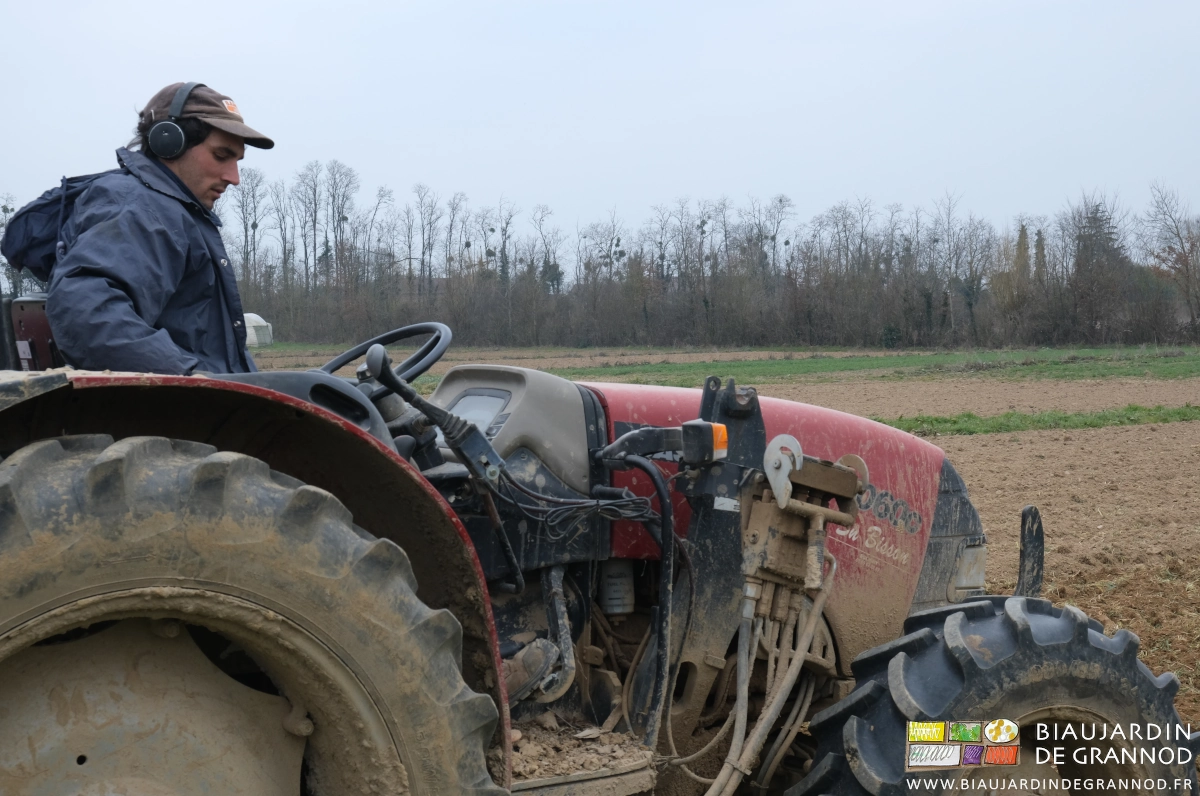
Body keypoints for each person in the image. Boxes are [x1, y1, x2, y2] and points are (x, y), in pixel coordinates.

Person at [44, 82, 274, 374]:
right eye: (221, 155)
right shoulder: (142, 210)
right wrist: (193, 382)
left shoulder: (171, 213)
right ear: (169, 143)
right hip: (191, 413)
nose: (234, 177)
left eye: (237, 161)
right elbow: (86, 313)